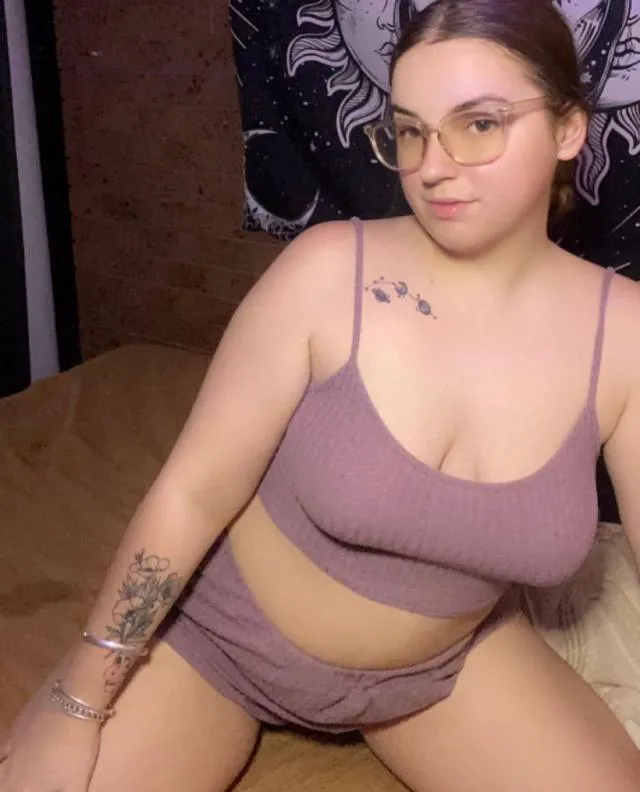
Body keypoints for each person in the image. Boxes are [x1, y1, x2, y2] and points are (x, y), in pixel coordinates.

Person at [3, 1, 640, 790]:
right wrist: (78, 700)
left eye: (479, 124)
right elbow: (192, 492)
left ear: (569, 129)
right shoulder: (328, 271)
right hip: (220, 642)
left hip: (441, 667)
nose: (433, 167)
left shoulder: (625, 335)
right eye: (409, 131)